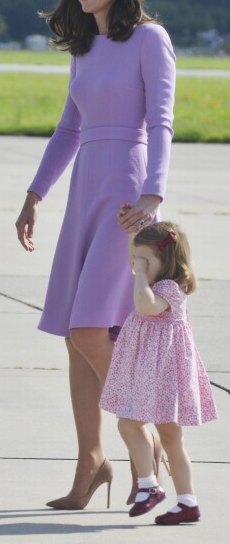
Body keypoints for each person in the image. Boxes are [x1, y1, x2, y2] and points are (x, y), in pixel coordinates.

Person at [15, 0, 176, 509]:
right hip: (85, 189)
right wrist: (35, 194)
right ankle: (92, 462)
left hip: (127, 196)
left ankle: (145, 439)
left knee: (90, 330)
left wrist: (154, 193)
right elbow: (69, 128)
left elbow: (161, 121)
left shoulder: (150, 39)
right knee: (74, 332)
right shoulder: (83, 47)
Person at [100, 222, 218, 524]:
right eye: (136, 260)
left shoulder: (169, 289)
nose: (136, 267)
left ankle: (150, 486)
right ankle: (187, 503)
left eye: (144, 261)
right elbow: (138, 274)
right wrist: (132, 240)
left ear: (165, 261)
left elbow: (145, 307)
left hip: (162, 375)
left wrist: (140, 274)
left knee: (130, 424)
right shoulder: (157, 282)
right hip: (158, 373)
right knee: (169, 439)